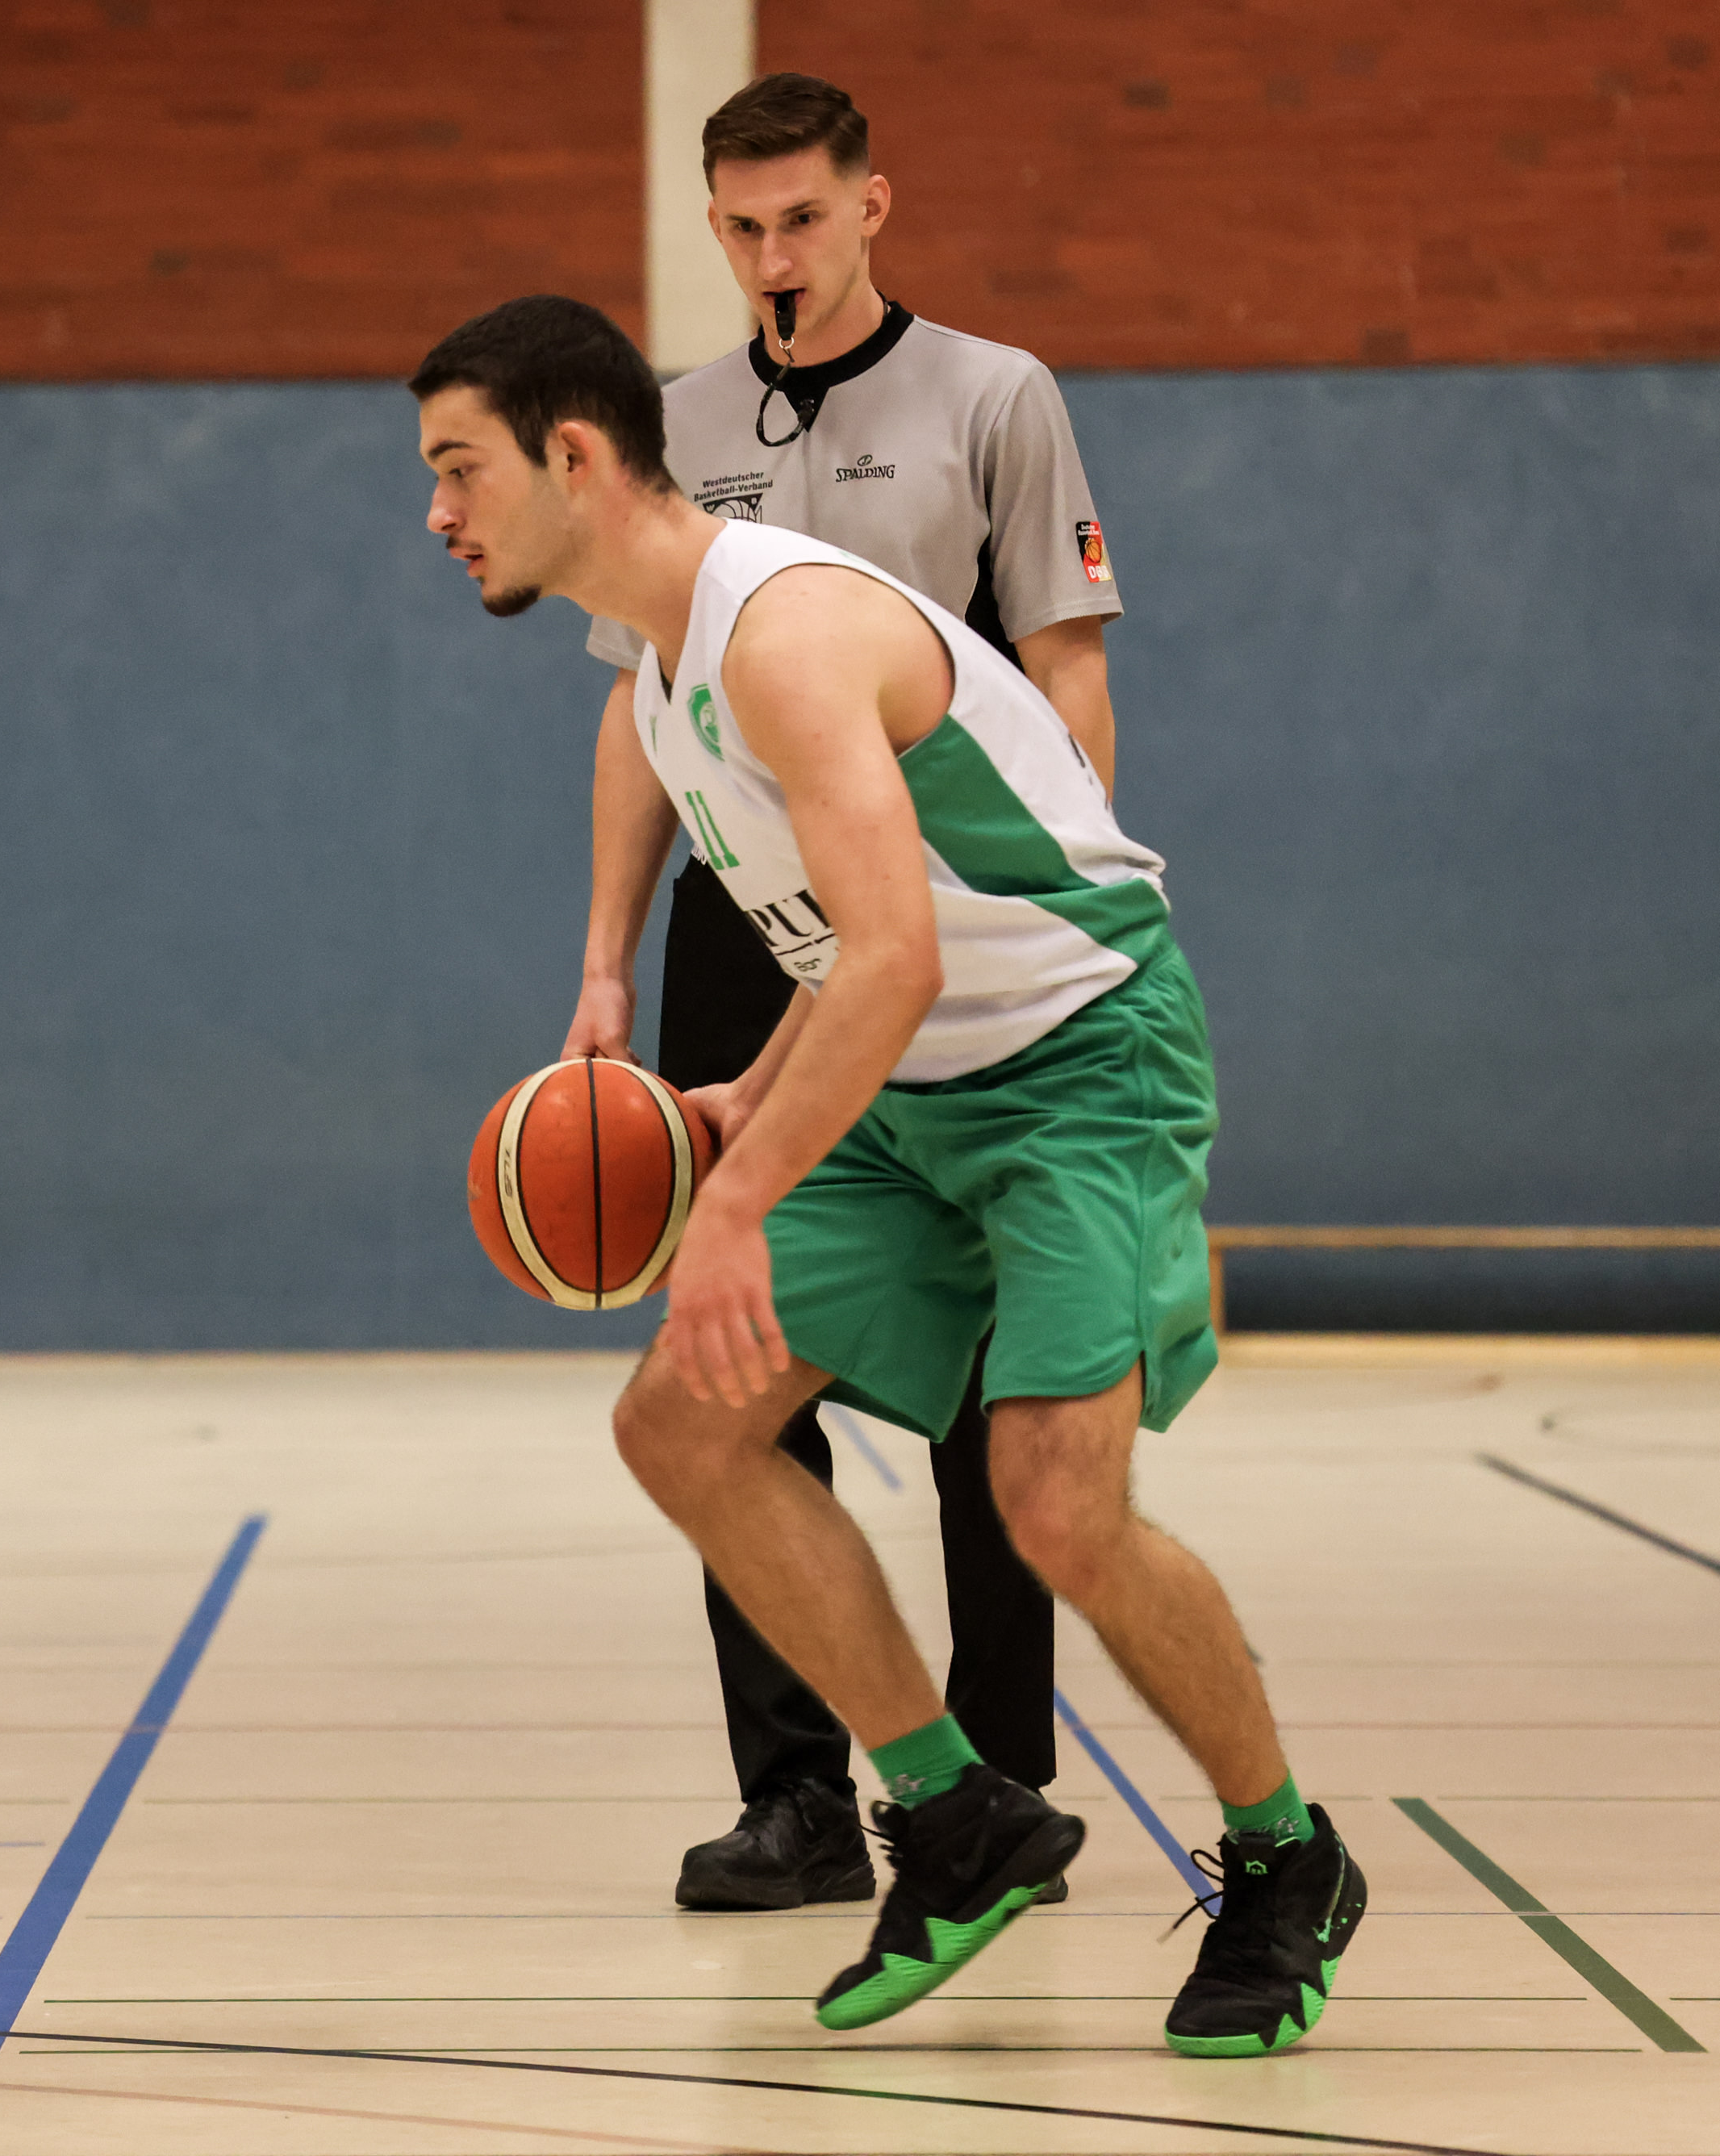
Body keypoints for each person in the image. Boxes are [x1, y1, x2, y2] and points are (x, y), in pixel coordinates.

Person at [412, 294, 1367, 2054]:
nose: (438, 512)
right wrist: (742, 1100)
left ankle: (1283, 1855)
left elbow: (902, 955)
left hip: (1080, 1061)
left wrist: (737, 1199)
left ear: (573, 456)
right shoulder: (669, 677)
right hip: (916, 1081)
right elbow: (847, 935)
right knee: (681, 1425)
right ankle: (954, 1812)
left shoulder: (779, 633)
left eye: (459, 467)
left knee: (1055, 1502)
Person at [569, 73, 1125, 1912]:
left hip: (938, 912)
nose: (772, 255)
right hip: (744, 927)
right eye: (741, 227)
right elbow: (638, 711)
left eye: (801, 217)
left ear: (873, 204)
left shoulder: (995, 396)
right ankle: (798, 1794)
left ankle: (998, 1779)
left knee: (980, 1352)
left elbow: (1065, 666)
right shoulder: (671, 425)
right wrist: (602, 959)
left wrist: (1058, 905)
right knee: (735, 1354)